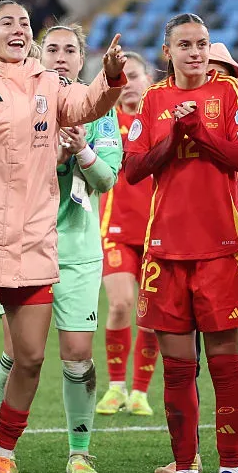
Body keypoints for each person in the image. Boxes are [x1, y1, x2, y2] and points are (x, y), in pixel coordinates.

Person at [0, 0, 126, 473]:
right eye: (8, 22)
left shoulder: (50, 83)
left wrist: (110, 78)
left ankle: (1, 457)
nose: (19, 29)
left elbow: (87, 106)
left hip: (35, 238)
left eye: (24, 22)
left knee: (32, 356)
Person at [124, 13, 238, 473]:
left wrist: (200, 134)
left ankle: (230, 472)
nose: (196, 52)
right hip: (165, 252)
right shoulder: (153, 100)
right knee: (179, 370)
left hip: (221, 249)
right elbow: (133, 169)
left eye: (202, 43)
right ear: (168, 52)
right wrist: (173, 141)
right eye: (185, 45)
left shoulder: (230, 93)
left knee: (225, 367)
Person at [0, 24, 122, 473]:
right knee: (17, 351)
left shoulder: (100, 111)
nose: (61, 57)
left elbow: (107, 180)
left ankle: (79, 451)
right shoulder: (19, 102)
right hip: (24, 246)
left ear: (82, 59)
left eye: (70, 50)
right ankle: (3, 451)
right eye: (52, 49)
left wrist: (82, 151)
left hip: (78, 249)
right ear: (37, 54)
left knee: (77, 352)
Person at [153, 42, 238, 473]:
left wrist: (207, 135)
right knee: (185, 365)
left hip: (236, 253)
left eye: (223, 71)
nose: (215, 78)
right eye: (212, 69)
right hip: (181, 248)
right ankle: (190, 460)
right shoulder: (166, 107)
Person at [97, 52, 159, 418]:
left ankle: (140, 392)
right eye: (122, 77)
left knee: (149, 315)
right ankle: (116, 387)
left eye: (134, 75)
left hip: (158, 232)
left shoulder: (160, 120)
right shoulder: (106, 121)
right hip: (116, 228)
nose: (129, 83)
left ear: (149, 79)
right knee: (121, 304)